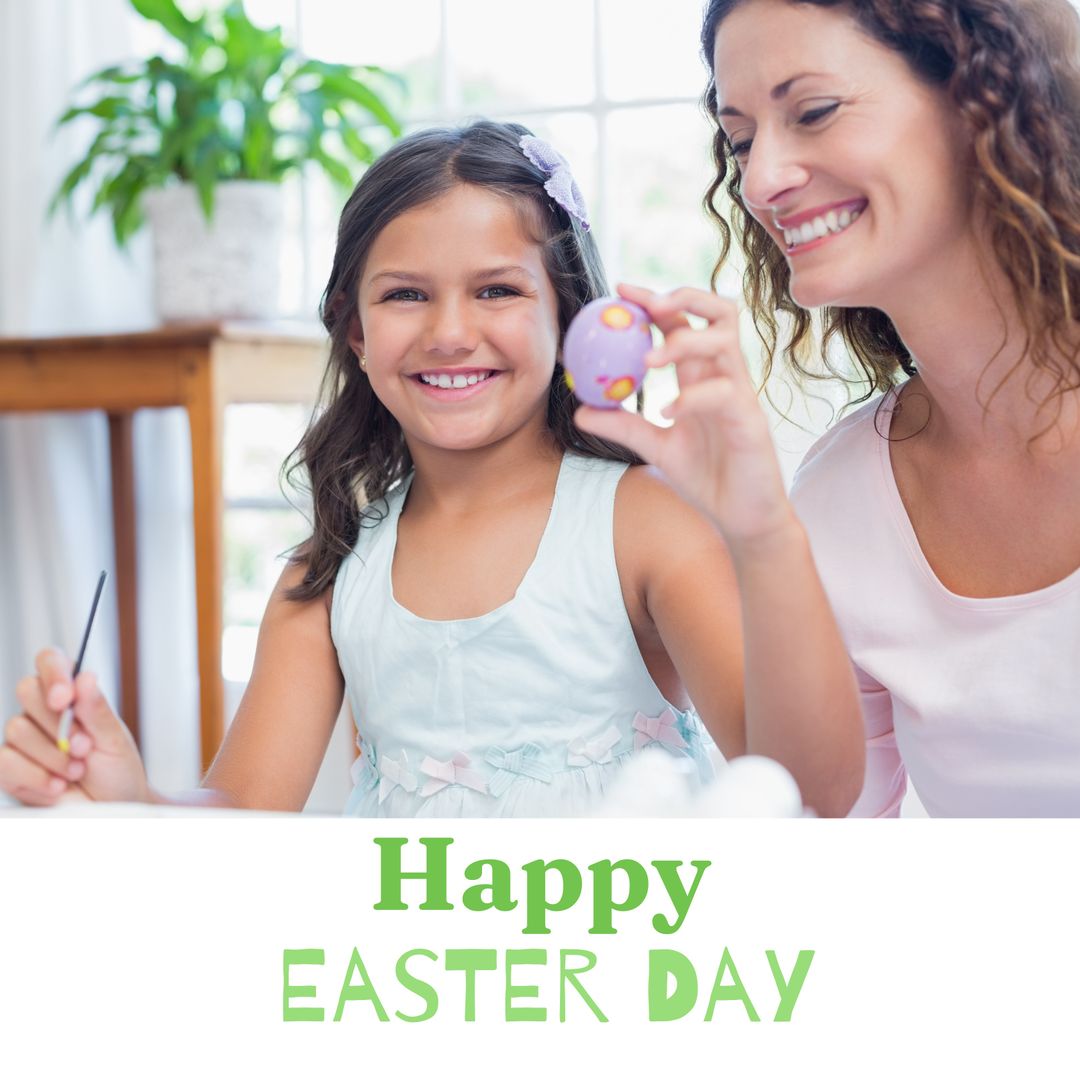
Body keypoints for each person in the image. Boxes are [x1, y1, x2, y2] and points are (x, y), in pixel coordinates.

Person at [0, 120, 862, 817]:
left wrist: (762, 533)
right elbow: (242, 815)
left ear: (571, 313)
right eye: (406, 294)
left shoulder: (641, 524)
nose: (450, 331)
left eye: (497, 291)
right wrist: (130, 799)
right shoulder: (331, 571)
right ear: (355, 331)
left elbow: (807, 793)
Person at [585, 0, 1080, 816]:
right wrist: (760, 533)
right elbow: (820, 830)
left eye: (813, 112)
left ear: (984, 98)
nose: (761, 179)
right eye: (740, 140)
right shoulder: (846, 496)